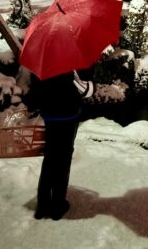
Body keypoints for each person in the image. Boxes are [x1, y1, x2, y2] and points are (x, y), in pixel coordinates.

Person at [32, 70, 93, 220]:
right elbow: (86, 91)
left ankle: (42, 206)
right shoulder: (67, 67)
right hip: (68, 117)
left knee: (50, 158)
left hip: (50, 117)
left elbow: (35, 95)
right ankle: (58, 206)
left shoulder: (41, 68)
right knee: (63, 160)